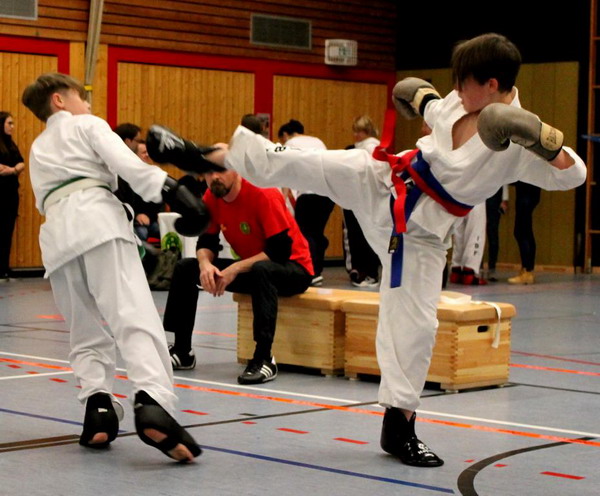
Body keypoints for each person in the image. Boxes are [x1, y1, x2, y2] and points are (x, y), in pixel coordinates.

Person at [147, 33, 586, 468]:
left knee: (414, 328)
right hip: (386, 181)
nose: (455, 90)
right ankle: (206, 156)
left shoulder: (516, 138)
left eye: (463, 82)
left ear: (492, 84)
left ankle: (400, 426)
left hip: (419, 235)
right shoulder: (458, 101)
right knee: (306, 161)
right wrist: (423, 100)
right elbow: (432, 106)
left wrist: (541, 139)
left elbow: (575, 174)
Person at [21, 72, 212, 461]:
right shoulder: (86, 125)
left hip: (57, 239)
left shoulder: (38, 148)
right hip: (98, 223)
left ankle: (99, 409)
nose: (88, 105)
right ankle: (152, 401)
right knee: (133, 314)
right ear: (59, 100)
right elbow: (127, 163)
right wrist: (175, 191)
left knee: (84, 328)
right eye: (81, 97)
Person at [162, 168, 313, 384]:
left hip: (293, 268)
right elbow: (206, 242)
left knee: (263, 271)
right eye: (209, 173)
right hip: (254, 267)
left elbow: (279, 251)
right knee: (186, 267)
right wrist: (205, 265)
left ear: (236, 170)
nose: (214, 177)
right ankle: (182, 351)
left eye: (221, 171)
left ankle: (264, 358)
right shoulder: (212, 196)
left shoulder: (264, 193)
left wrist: (234, 269)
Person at [278, 119, 333, 286]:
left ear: (286, 135)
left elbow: (286, 171)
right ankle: (318, 270)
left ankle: (311, 270)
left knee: (305, 234)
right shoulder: (318, 142)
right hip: (328, 194)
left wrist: (282, 197)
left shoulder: (291, 143)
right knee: (317, 233)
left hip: (308, 194)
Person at [343, 115, 381, 287]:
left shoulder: (361, 151)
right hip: (372, 200)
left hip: (358, 196)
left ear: (366, 132)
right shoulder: (380, 148)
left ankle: (362, 270)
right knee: (369, 235)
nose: (356, 135)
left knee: (356, 235)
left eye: (359, 131)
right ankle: (370, 271)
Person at [114, 123, 163, 242]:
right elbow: (120, 202)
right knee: (140, 233)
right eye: (138, 140)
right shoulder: (119, 168)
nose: (139, 143)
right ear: (127, 141)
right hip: (125, 221)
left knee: (167, 230)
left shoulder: (136, 168)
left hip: (143, 219)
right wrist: (137, 216)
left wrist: (149, 216)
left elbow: (157, 201)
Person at [0, 111, 25, 282]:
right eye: (9, 123)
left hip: (10, 193)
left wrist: (13, 170)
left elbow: (21, 162)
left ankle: (4, 269)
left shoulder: (11, 144)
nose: (12, 127)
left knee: (7, 230)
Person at [508, 181, 541, 284]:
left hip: (527, 193)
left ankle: (527, 270)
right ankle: (527, 269)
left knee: (522, 231)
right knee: (524, 231)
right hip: (527, 192)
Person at [449, 202, 488, 285]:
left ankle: (456, 269)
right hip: (476, 195)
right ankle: (469, 271)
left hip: (457, 194)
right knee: (475, 230)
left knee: (458, 231)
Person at [485, 184, 509, 281]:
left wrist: (505, 199)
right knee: (477, 234)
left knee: (493, 234)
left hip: (495, 196)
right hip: (480, 196)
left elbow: (504, 177)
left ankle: (492, 268)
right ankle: (477, 267)